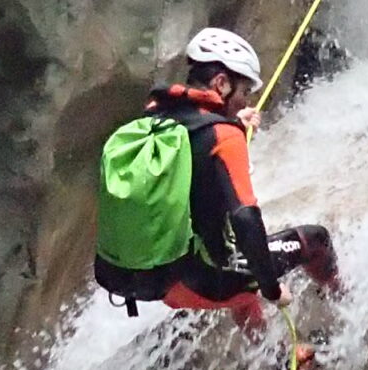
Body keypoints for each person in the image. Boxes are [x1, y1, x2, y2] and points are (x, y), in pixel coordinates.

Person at [94, 27, 341, 345]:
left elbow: (196, 156)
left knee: (235, 259)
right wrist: (272, 288)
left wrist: (235, 123)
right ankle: (344, 306)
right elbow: (245, 217)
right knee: (314, 240)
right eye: (244, 92)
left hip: (145, 281)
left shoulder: (158, 119)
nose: (245, 101)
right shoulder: (224, 137)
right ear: (221, 84)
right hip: (202, 283)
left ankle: (274, 352)